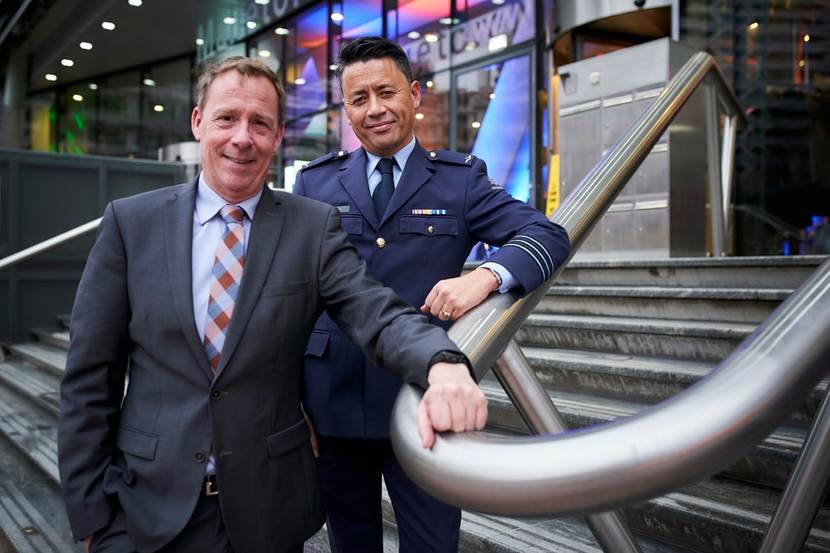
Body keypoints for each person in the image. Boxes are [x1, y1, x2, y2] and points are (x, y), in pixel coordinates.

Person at [57, 56, 488, 553]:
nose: (242, 138)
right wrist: (93, 523)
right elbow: (89, 379)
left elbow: (375, 311)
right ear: (198, 122)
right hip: (144, 515)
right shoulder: (131, 224)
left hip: (268, 515)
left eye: (260, 124)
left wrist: (442, 362)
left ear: (278, 135)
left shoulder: (312, 228)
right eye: (226, 118)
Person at [295, 37, 570, 553]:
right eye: (359, 99)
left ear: (415, 94)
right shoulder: (316, 183)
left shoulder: (458, 181)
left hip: (426, 399)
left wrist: (484, 277)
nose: (374, 109)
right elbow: (294, 299)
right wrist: (292, 401)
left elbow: (548, 235)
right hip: (333, 402)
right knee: (350, 545)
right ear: (346, 111)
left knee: (433, 544)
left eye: (386, 92)